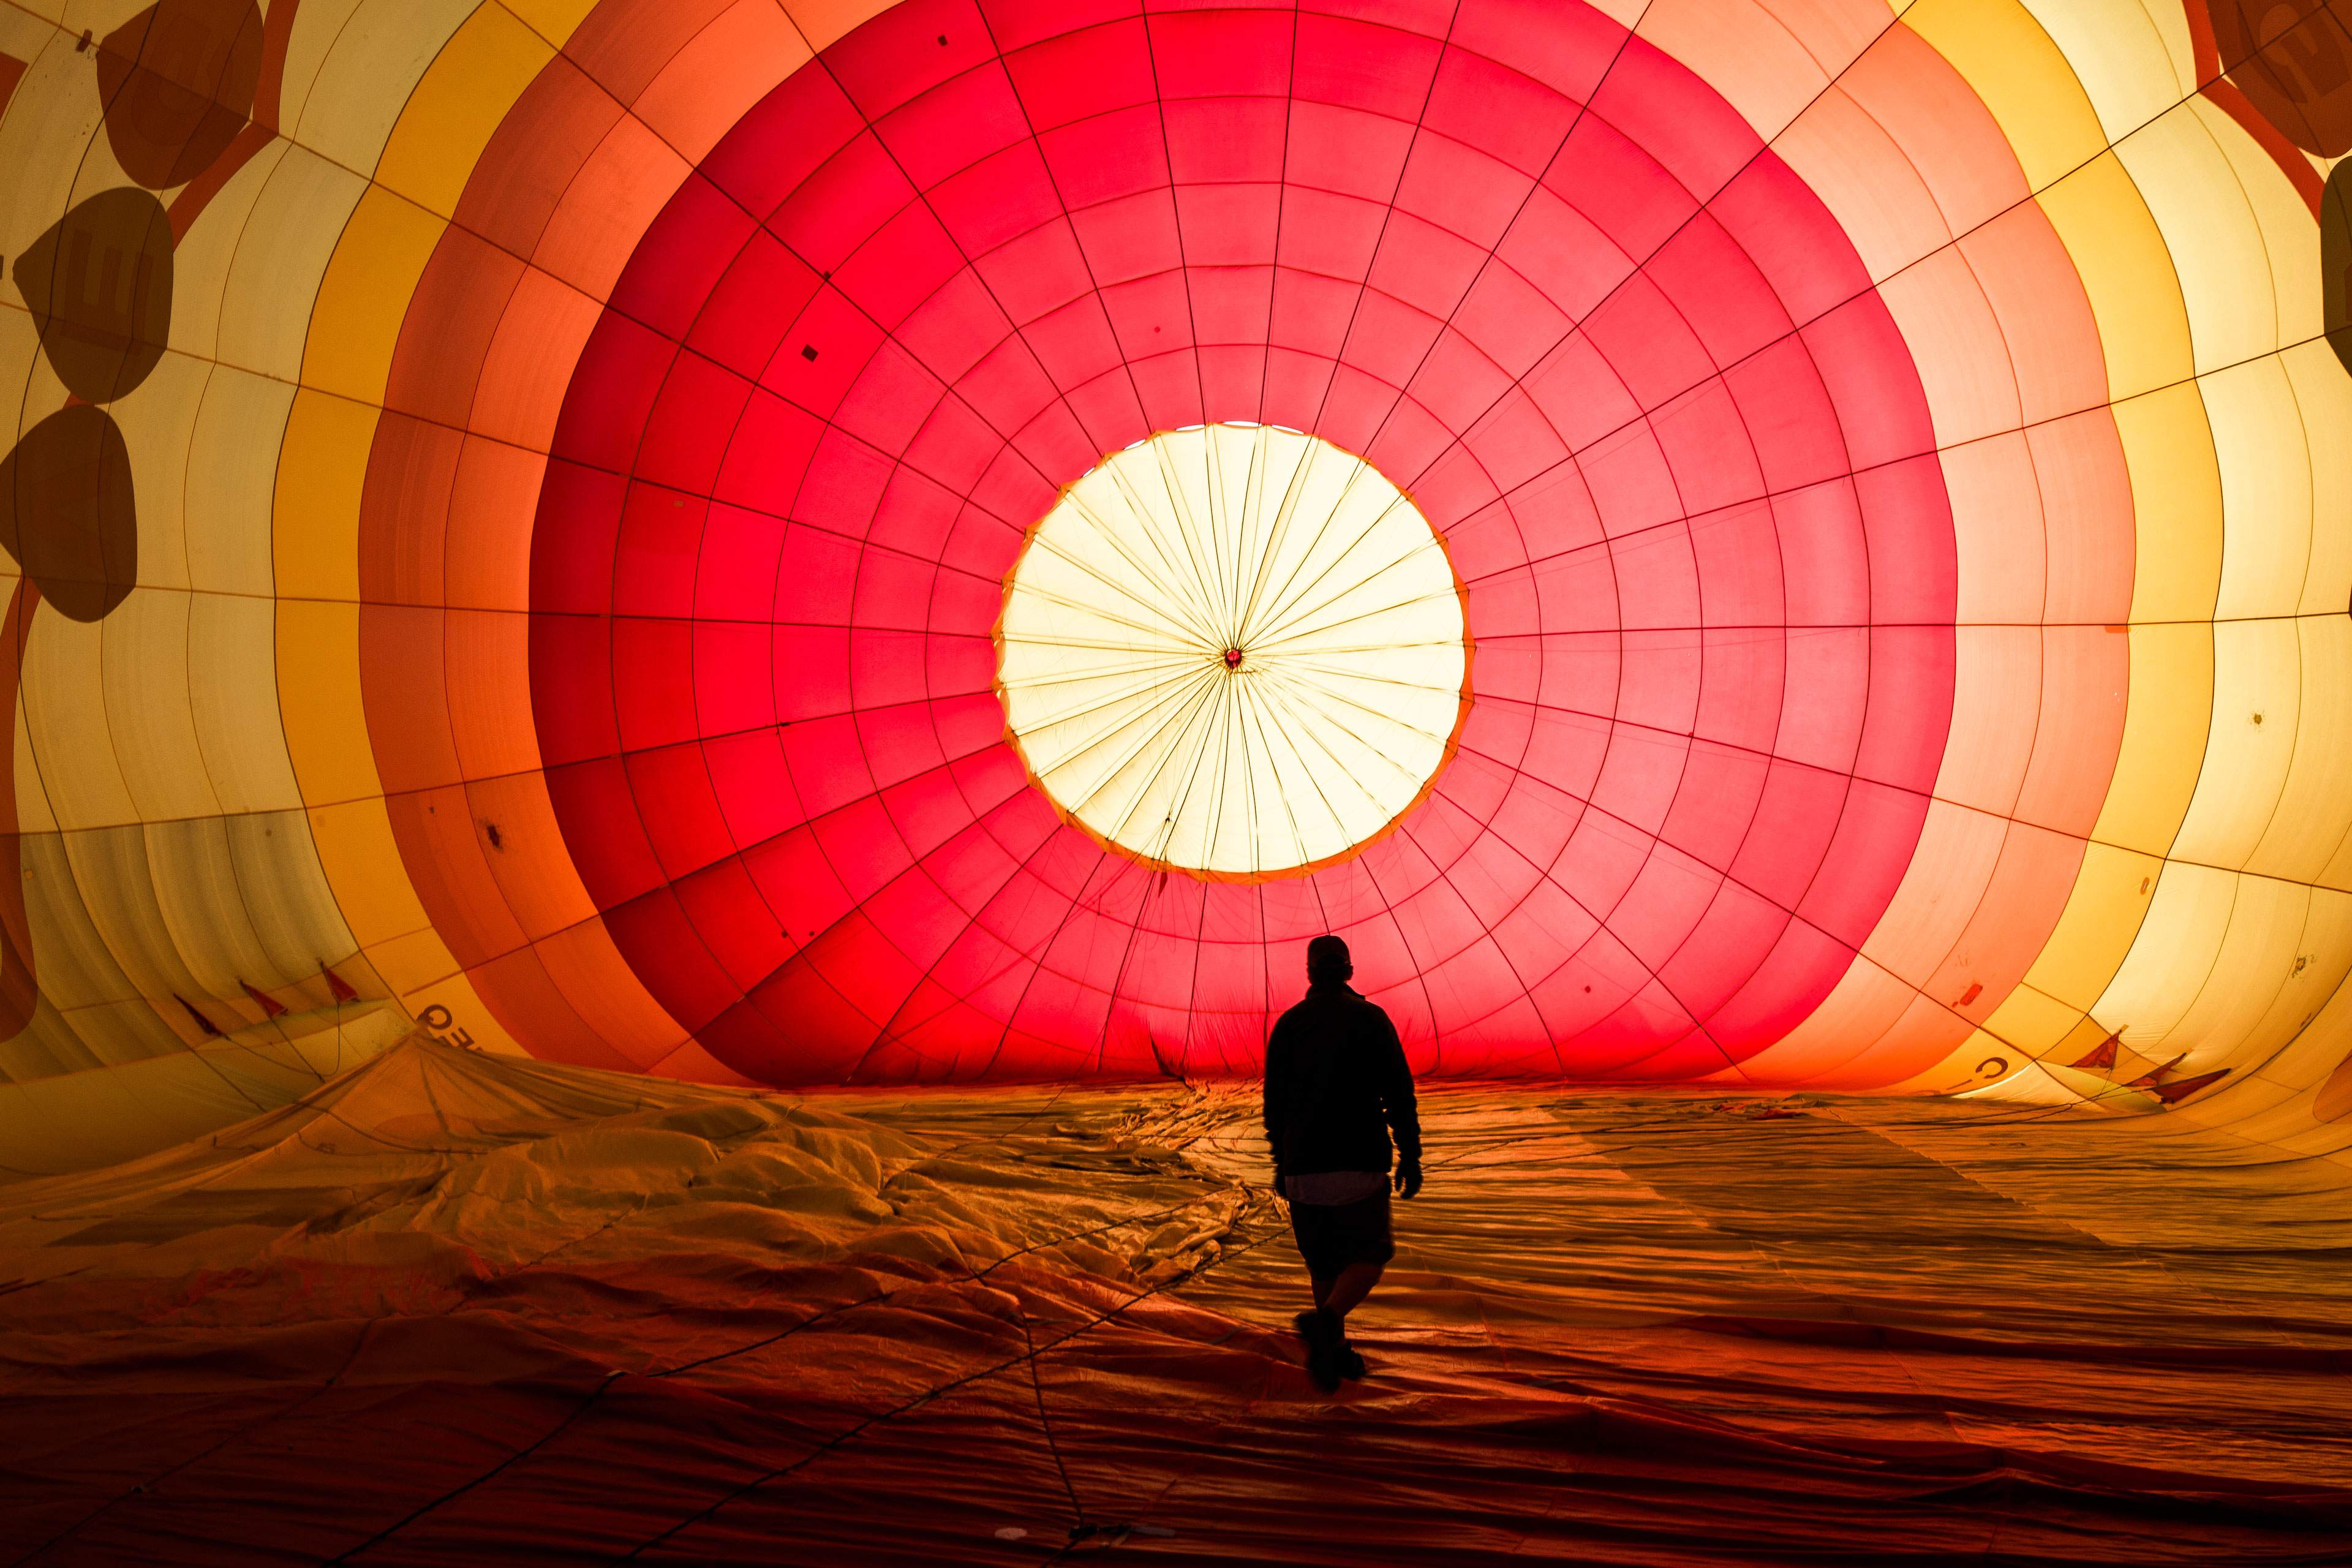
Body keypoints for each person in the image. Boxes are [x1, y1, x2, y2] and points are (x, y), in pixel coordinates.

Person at [1261, 933, 1422, 1392]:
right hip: (1358, 1160)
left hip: (1303, 1167)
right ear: (1349, 971)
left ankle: (1332, 1352)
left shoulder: (1289, 1025)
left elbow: (1274, 1105)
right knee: (1371, 1256)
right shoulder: (1371, 1019)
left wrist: (1282, 1164)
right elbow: (1399, 1094)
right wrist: (1410, 1155)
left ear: (1310, 974)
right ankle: (1327, 1322)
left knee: (1323, 1266)